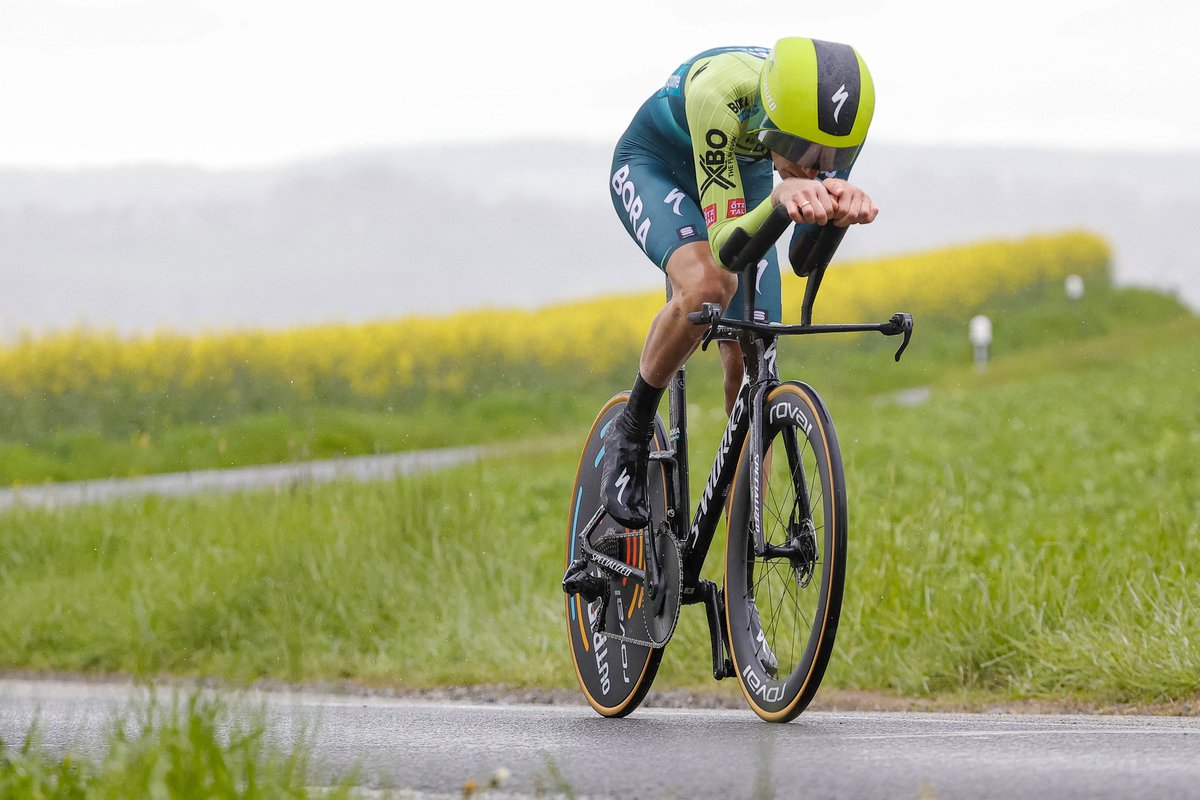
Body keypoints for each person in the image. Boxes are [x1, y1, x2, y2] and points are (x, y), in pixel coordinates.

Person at [602, 37, 880, 530]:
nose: (819, 165)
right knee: (710, 286)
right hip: (658, 165)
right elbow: (729, 249)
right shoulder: (721, 93)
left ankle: (739, 547)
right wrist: (781, 200)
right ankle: (633, 427)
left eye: (835, 156)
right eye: (805, 151)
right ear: (776, 124)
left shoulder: (829, 133)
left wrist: (837, 213)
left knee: (756, 350)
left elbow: (800, 257)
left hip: (739, 172)